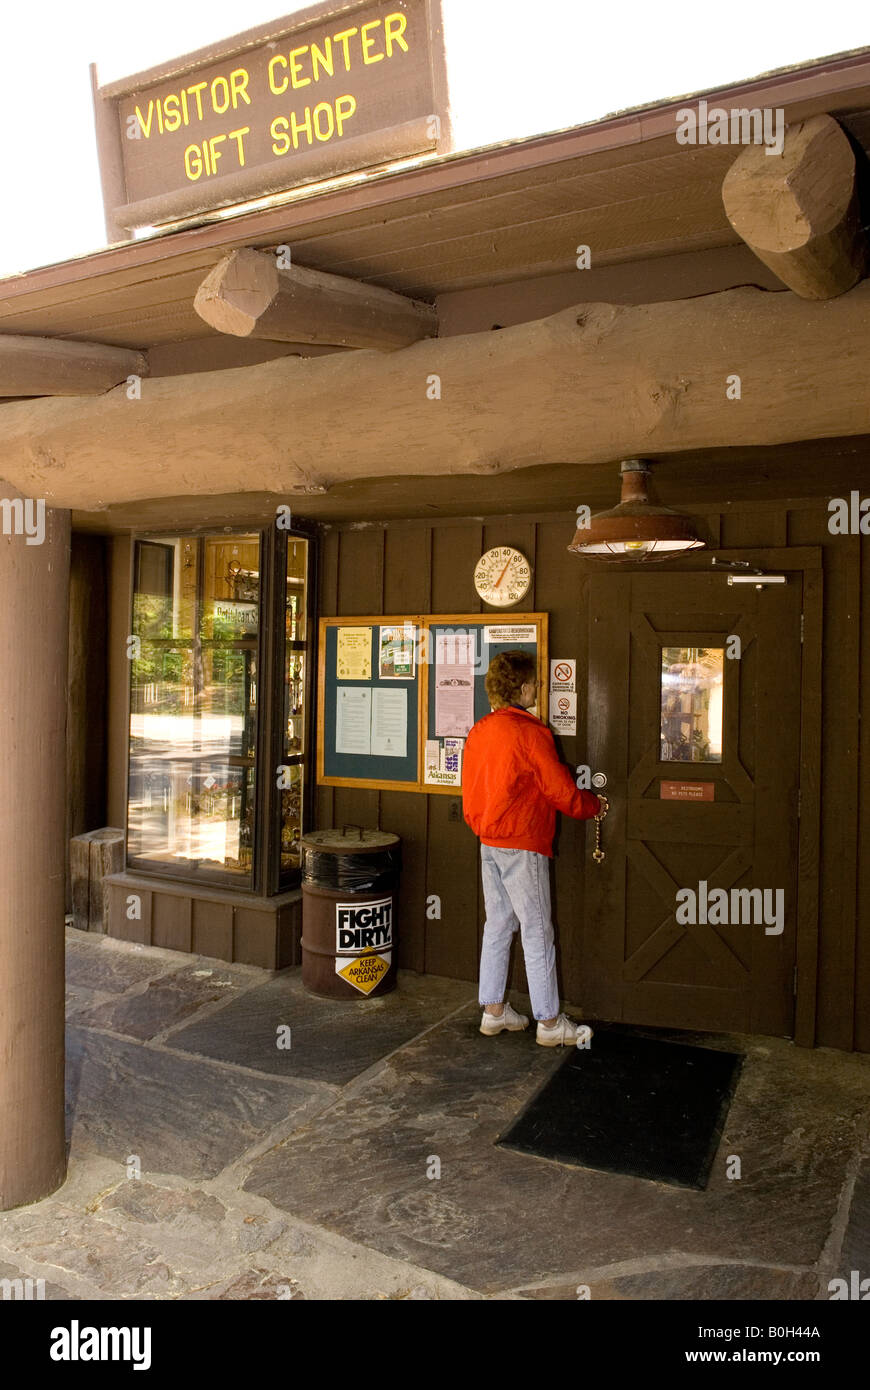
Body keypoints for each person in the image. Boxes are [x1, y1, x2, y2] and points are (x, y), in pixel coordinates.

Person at [462, 650, 606, 1046]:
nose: (539, 689)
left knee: (498, 924)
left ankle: (493, 1012)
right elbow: (560, 790)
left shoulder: (480, 730)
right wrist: (593, 806)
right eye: (536, 684)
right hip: (523, 842)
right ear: (523, 688)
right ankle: (548, 1022)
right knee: (537, 930)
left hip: (488, 840)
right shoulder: (531, 732)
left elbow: (470, 790)